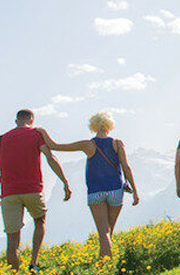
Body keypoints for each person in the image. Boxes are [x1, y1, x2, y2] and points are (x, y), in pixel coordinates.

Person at [39, 111, 139, 259]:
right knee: (108, 231)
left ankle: (105, 267)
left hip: (96, 191)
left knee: (103, 232)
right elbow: (126, 167)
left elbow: (55, 146)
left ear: (93, 125)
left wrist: (42, 132)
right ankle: (102, 265)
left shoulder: (88, 145)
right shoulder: (117, 143)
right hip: (116, 191)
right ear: (109, 125)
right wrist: (135, 191)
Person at [0, 109, 71, 273]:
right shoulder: (36, 135)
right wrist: (64, 181)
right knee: (40, 221)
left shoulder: (1, 140)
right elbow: (50, 158)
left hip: (9, 193)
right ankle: (33, 262)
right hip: (33, 189)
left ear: (16, 120)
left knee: (12, 241)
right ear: (32, 120)